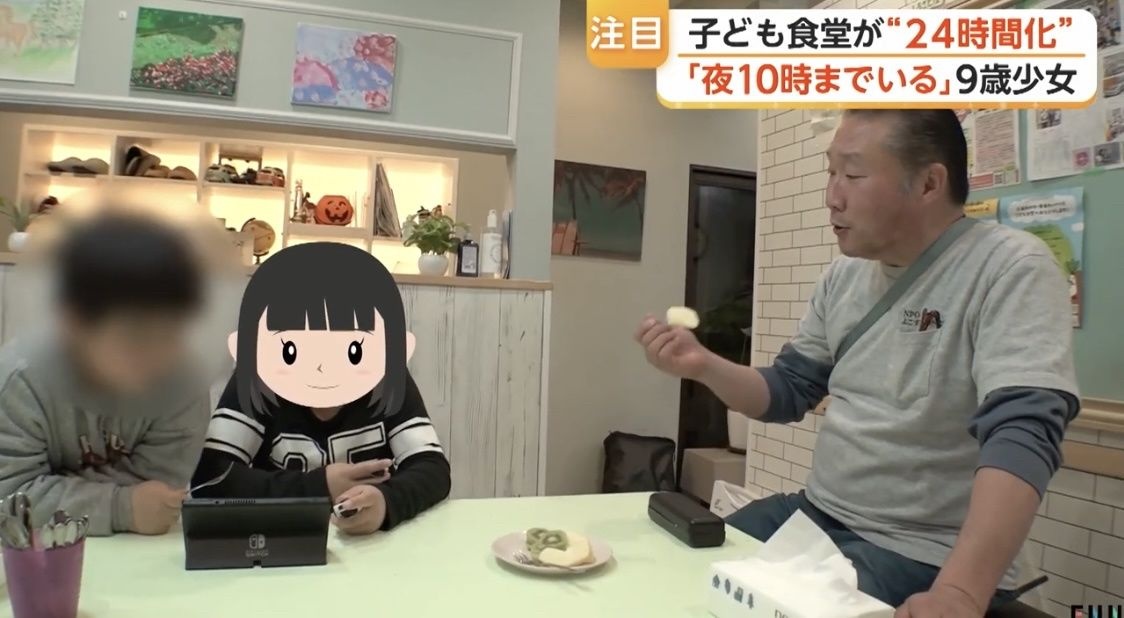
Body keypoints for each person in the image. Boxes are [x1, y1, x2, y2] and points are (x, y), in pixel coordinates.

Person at [636, 109, 1078, 616]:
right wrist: (701, 365)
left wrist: (960, 593)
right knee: (684, 573)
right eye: (830, 172)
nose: (832, 195)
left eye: (852, 174)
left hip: (921, 552)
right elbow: (787, 392)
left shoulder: (1011, 268)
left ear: (929, 183)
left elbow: (1023, 433)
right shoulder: (843, 276)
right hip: (816, 517)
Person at [191, 242, 451, 535]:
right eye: (293, 350)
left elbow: (433, 469)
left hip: (371, 548)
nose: (321, 368)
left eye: (351, 350)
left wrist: (385, 502)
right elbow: (210, 477)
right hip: (283, 542)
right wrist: (319, 486)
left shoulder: (386, 376)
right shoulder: (258, 377)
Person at [0, 214, 212, 536]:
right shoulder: (20, 381)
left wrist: (53, 490)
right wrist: (120, 506)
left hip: (135, 553)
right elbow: (9, 498)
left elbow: (157, 493)